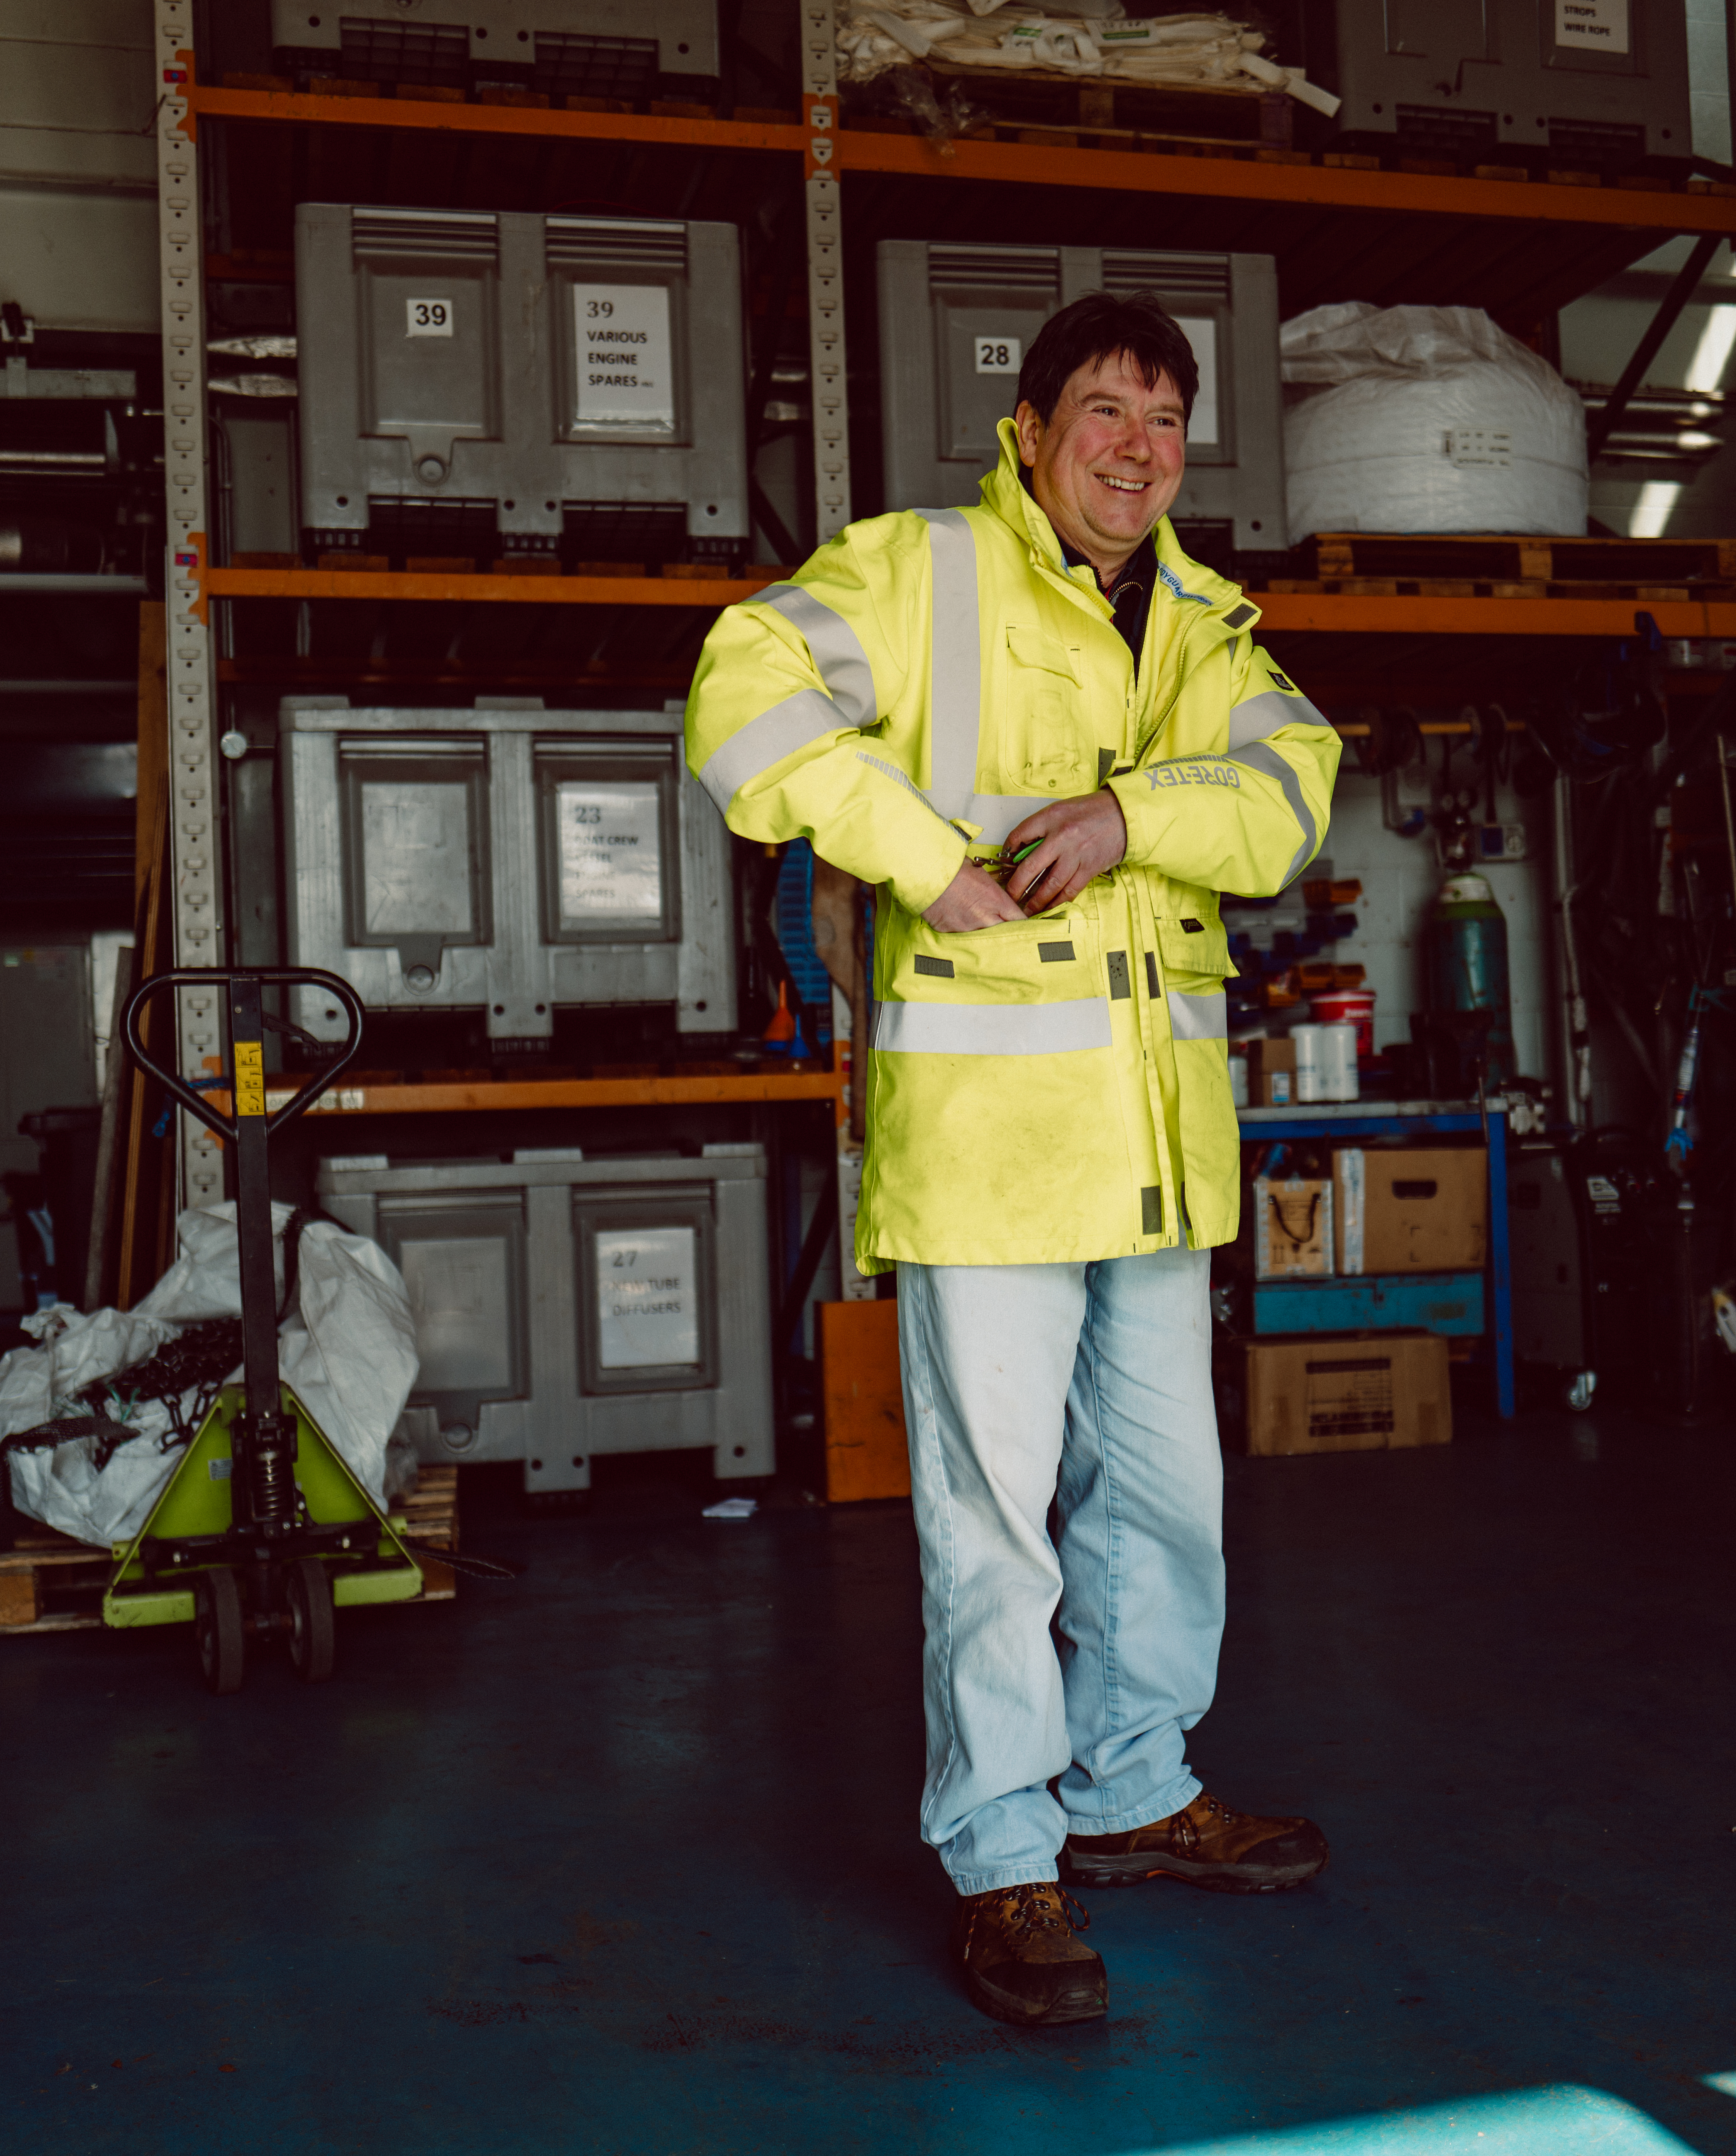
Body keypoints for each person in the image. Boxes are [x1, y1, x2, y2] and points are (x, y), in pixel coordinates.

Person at [682, 291, 1345, 2028]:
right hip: (984, 1148)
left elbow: (1290, 796)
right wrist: (911, 850)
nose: (1138, 449)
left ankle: (1131, 1789)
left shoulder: (1204, 618)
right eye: (1106, 412)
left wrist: (1133, 815)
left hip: (1151, 1152)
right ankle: (1001, 1856)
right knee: (994, 1533)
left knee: (1163, 1508)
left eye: (1167, 420)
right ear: (1034, 429)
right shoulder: (917, 573)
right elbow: (739, 694)